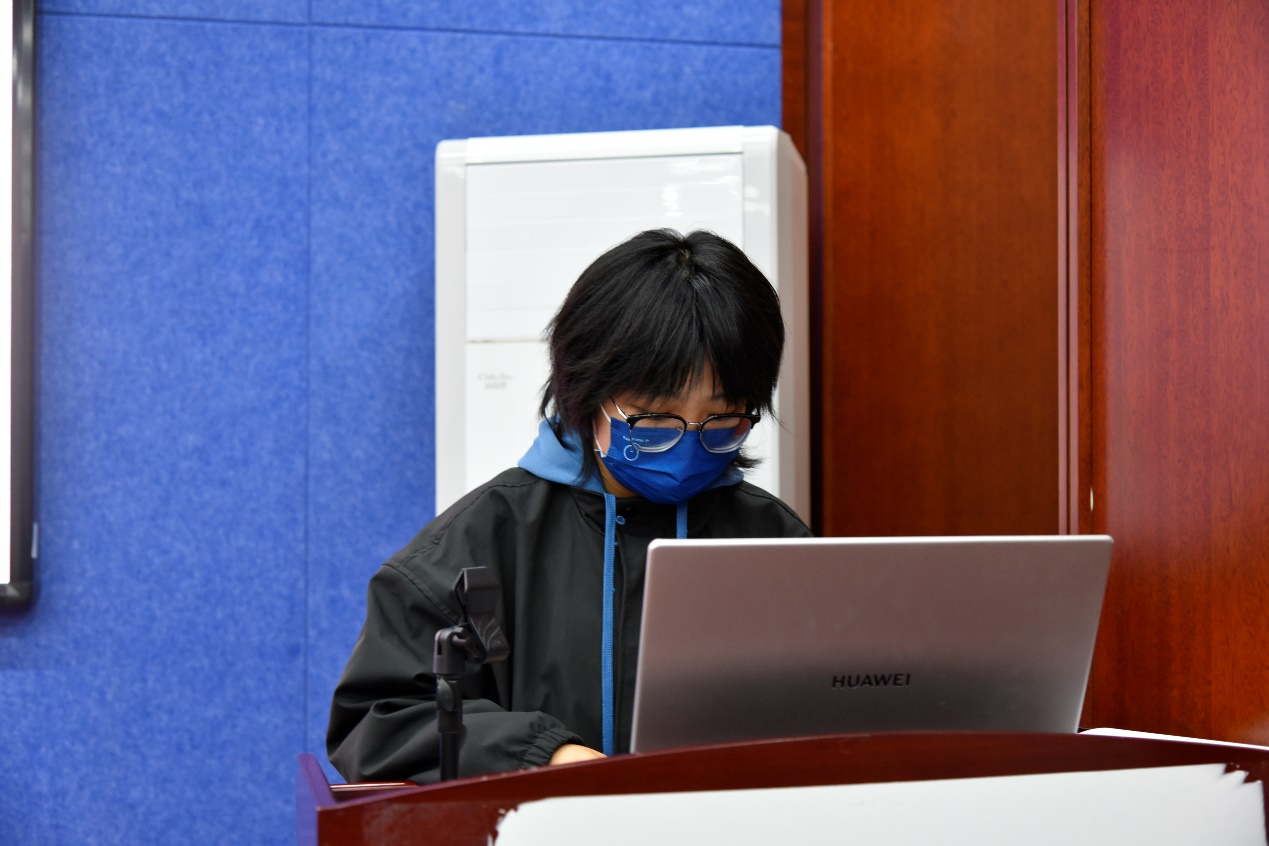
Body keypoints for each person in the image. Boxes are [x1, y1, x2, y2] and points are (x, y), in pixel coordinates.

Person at [327, 228, 812, 783]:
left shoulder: (776, 542)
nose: (687, 442)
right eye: (655, 417)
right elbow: (379, 719)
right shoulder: (476, 545)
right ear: (588, 389)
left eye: (722, 419)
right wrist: (544, 756)